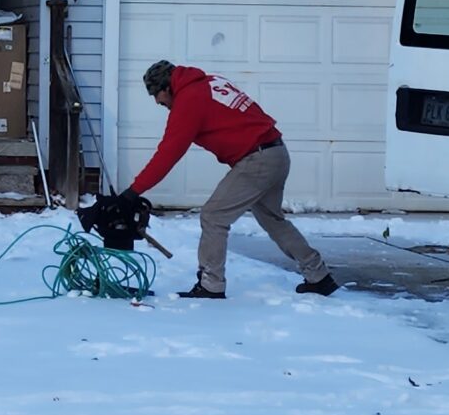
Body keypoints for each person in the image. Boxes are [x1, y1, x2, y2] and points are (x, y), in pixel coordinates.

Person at [124, 59, 336, 299]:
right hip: (275, 152)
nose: (157, 101)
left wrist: (133, 192)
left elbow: (168, 154)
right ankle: (319, 276)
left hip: (257, 159)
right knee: (273, 220)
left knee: (214, 216)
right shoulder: (210, 82)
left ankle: (211, 284)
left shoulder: (189, 99)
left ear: (168, 87)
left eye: (156, 94)